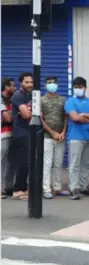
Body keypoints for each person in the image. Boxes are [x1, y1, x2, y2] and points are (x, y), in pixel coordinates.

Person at [65, 76, 89, 200]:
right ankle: (73, 188)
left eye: (80, 87)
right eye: (75, 87)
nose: (78, 89)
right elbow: (75, 118)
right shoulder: (70, 102)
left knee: (86, 164)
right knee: (75, 164)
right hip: (75, 137)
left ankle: (83, 186)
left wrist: (85, 115)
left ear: (85, 88)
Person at [40, 76, 68, 199]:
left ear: (57, 85)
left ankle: (57, 188)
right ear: (45, 85)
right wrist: (52, 132)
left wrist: (63, 132)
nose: (52, 85)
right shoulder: (42, 100)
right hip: (47, 136)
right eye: (49, 83)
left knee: (58, 163)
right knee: (47, 163)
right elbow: (41, 118)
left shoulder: (63, 100)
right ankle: (46, 189)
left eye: (54, 83)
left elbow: (66, 117)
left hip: (60, 137)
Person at [10, 72, 33, 200]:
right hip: (21, 134)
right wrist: (30, 111)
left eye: (31, 82)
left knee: (28, 163)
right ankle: (18, 189)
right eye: (26, 82)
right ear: (21, 83)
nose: (29, 84)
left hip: (29, 133)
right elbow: (27, 115)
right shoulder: (18, 96)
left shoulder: (30, 95)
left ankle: (23, 188)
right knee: (23, 163)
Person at [1, 78, 16, 199]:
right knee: (2, 162)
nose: (15, 88)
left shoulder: (11, 100)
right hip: (3, 134)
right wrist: (13, 114)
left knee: (11, 162)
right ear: (6, 87)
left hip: (12, 134)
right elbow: (8, 118)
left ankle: (8, 187)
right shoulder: (1, 99)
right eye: (13, 86)